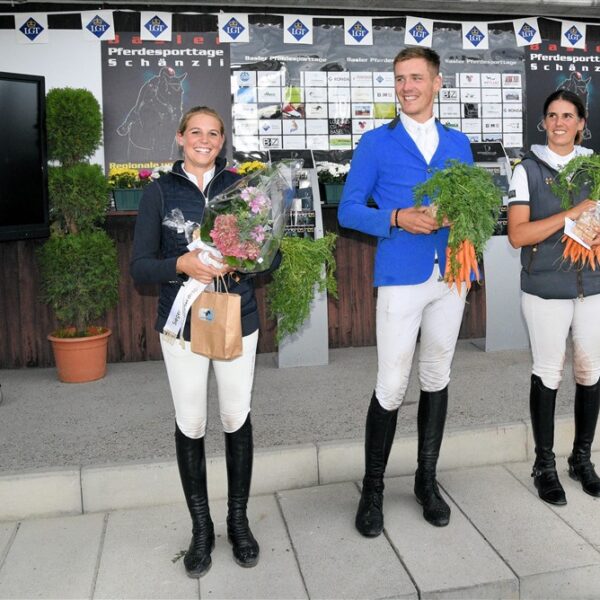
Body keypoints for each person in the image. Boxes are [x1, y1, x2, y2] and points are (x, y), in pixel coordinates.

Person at [338, 47, 473, 534]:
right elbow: (348, 210)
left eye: (416, 77)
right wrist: (396, 217)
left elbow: (474, 205)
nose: (406, 87)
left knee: (436, 374)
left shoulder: (459, 143)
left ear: (437, 83)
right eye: (399, 78)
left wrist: (462, 216)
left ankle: (426, 481)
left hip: (452, 275)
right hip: (400, 275)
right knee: (392, 384)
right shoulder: (376, 143)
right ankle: (372, 490)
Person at [131, 106, 266, 577]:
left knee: (235, 416)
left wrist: (243, 257)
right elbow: (139, 266)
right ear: (180, 137)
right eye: (195, 132)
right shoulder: (158, 192)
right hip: (183, 324)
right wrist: (180, 265)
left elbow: (271, 257)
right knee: (191, 422)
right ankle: (202, 529)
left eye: (213, 133)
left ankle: (238, 521)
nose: (203, 140)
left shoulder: (243, 189)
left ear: (222, 140)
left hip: (236, 319)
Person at [508, 89, 600, 505]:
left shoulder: (595, 168)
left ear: (581, 123)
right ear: (543, 122)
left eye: (567, 116)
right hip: (545, 289)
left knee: (590, 373)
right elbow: (517, 235)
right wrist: (570, 214)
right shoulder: (527, 170)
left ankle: (581, 460)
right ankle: (544, 466)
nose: (559, 123)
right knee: (548, 372)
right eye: (552, 116)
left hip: (592, 288)